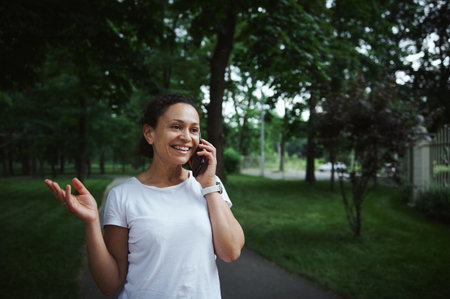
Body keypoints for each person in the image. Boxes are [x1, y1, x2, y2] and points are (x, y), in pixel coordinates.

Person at [44, 94, 245, 298]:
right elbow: (109, 283)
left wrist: (209, 185)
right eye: (176, 126)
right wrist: (91, 221)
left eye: (194, 129)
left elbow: (231, 252)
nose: (186, 137)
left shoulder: (210, 185)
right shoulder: (123, 196)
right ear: (149, 133)